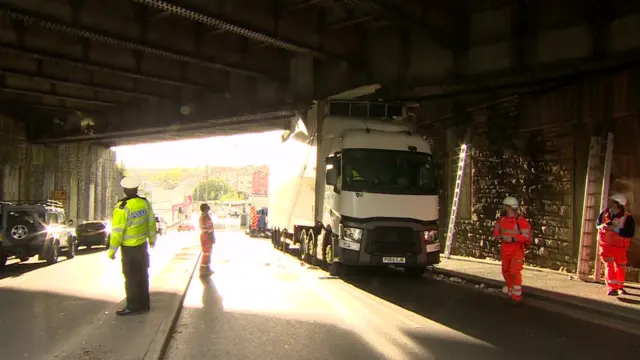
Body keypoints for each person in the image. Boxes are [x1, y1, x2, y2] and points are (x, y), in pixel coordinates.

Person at [108, 176, 157, 316]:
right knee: (142, 275)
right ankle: (144, 304)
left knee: (131, 278)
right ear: (136, 189)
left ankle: (133, 306)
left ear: (124, 190)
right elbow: (151, 223)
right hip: (142, 247)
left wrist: (112, 251)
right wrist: (152, 239)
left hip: (129, 249)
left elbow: (117, 232)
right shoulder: (144, 203)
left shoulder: (122, 207)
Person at [493, 196, 532, 306]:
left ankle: (516, 297)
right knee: (506, 272)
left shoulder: (521, 221)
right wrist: (499, 237)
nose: (503, 208)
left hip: (516, 250)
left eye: (505, 206)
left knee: (514, 272)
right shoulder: (501, 220)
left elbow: (526, 236)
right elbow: (496, 234)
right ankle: (511, 293)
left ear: (508, 207)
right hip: (505, 249)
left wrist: (513, 239)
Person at [596, 193, 635, 296]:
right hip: (606, 245)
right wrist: (602, 227)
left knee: (620, 267)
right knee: (609, 266)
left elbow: (629, 233)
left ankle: (620, 287)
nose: (609, 203)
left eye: (612, 201)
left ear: (617, 204)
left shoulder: (627, 218)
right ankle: (611, 288)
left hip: (620, 247)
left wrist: (615, 229)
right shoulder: (604, 213)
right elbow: (597, 224)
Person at [199, 203, 215, 276]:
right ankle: (204, 270)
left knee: (206, 253)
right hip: (207, 237)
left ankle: (204, 269)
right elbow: (210, 229)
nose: (209, 207)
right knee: (207, 254)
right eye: (208, 207)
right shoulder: (207, 217)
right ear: (205, 208)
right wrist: (212, 238)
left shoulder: (201, 216)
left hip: (203, 236)